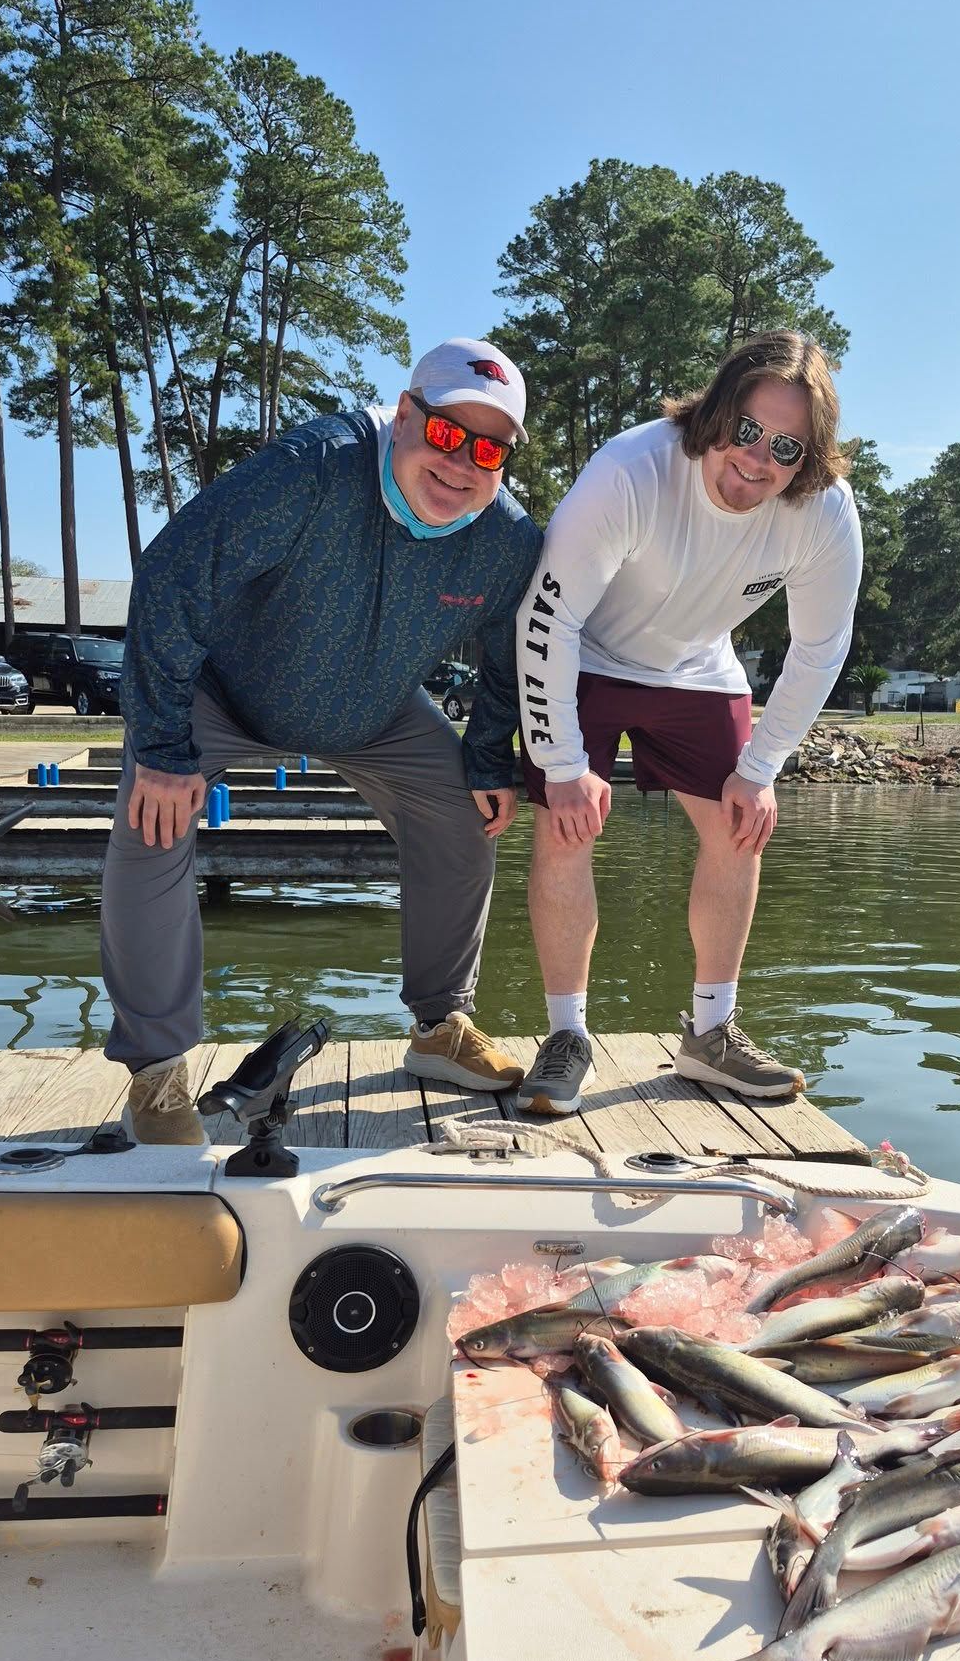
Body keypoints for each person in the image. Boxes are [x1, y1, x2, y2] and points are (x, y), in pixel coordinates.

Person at [102, 339, 540, 1142]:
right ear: (404, 415)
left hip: (376, 710)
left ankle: (440, 1025)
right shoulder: (310, 469)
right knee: (150, 821)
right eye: (447, 434)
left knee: (466, 814)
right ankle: (156, 1071)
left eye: (488, 451)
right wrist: (161, 749)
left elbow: (507, 652)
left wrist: (487, 758)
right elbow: (173, 573)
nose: (461, 465)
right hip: (222, 689)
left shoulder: (508, 540)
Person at [512, 330, 863, 1115]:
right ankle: (566, 1036)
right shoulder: (630, 470)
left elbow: (820, 649)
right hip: (585, 652)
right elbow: (547, 618)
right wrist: (563, 767)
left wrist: (760, 770)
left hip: (699, 666)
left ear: (808, 459)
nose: (758, 460)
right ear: (716, 412)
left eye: (786, 447)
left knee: (741, 826)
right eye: (746, 430)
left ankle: (711, 1034)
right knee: (566, 827)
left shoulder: (825, 513)